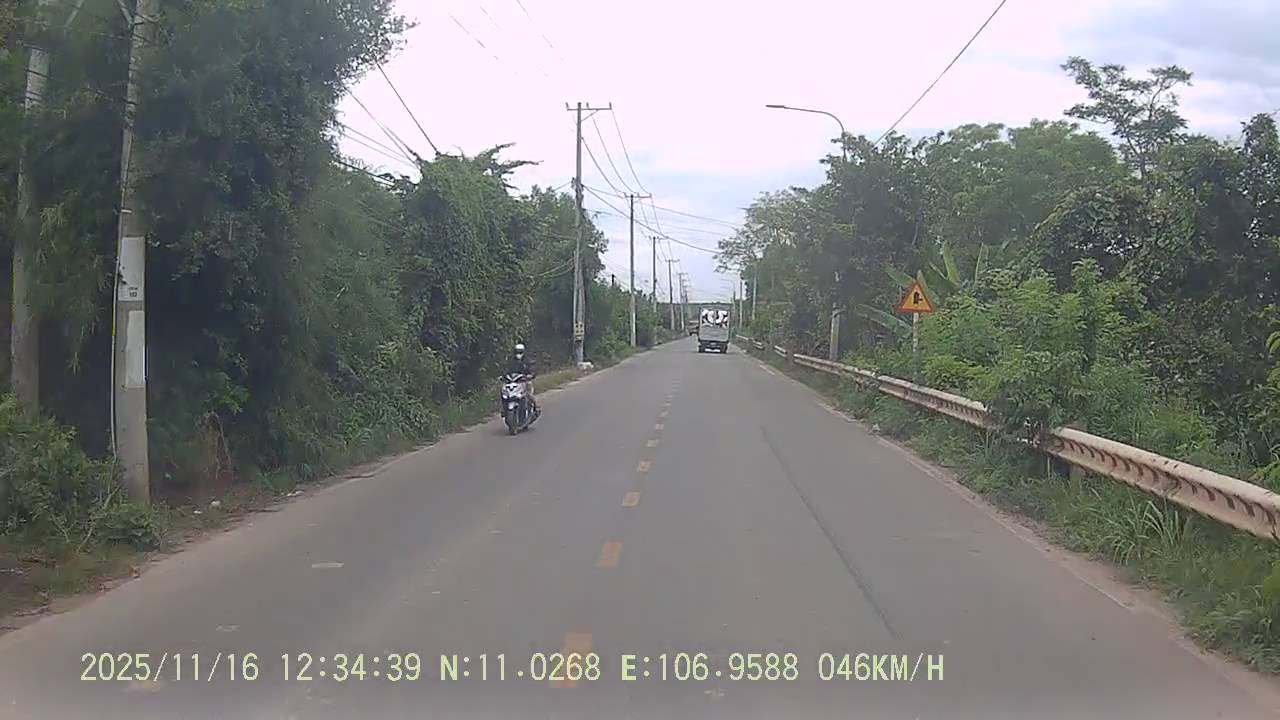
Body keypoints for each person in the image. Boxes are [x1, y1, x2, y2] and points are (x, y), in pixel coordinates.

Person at [507, 343, 539, 417]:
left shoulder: (527, 360)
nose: (518, 354)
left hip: (525, 380)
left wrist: (530, 375)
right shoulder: (511, 361)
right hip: (514, 381)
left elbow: (532, 369)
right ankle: (504, 409)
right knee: (505, 392)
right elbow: (507, 370)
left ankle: (535, 407)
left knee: (529, 394)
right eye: (517, 351)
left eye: (520, 352)